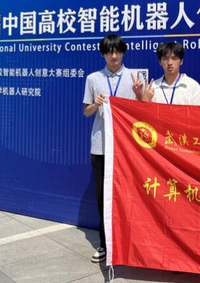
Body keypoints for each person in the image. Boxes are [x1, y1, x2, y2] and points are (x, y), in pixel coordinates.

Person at [83, 34, 143, 263]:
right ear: (103, 54)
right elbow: (86, 112)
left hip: (127, 149)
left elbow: (142, 110)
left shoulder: (135, 77)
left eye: (117, 51)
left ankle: (130, 243)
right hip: (101, 147)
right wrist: (95, 104)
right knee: (103, 197)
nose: (114, 56)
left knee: (129, 196)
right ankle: (104, 244)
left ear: (123, 52)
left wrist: (139, 95)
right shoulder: (93, 79)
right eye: (109, 52)